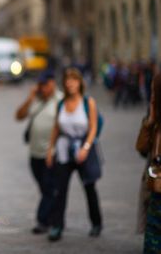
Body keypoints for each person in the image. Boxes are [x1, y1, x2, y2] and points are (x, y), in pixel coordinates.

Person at [45, 67, 103, 241]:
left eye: (74, 79)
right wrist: (50, 149)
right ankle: (57, 225)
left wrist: (85, 147)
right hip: (64, 150)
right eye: (67, 79)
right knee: (59, 189)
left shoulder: (88, 102)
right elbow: (56, 127)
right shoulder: (61, 103)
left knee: (89, 188)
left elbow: (93, 128)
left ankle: (96, 223)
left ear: (80, 83)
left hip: (82, 150)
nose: (70, 83)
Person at [15, 70, 63, 234]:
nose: (42, 88)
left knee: (49, 188)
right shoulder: (36, 99)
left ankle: (42, 220)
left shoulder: (60, 100)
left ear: (53, 83)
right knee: (44, 188)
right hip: (34, 154)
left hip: (52, 154)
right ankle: (55, 217)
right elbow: (19, 116)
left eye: (45, 84)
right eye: (40, 85)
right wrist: (30, 98)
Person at [135, 73, 161, 253]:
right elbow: (142, 149)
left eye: (154, 91)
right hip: (156, 192)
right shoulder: (155, 122)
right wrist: (149, 122)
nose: (150, 96)